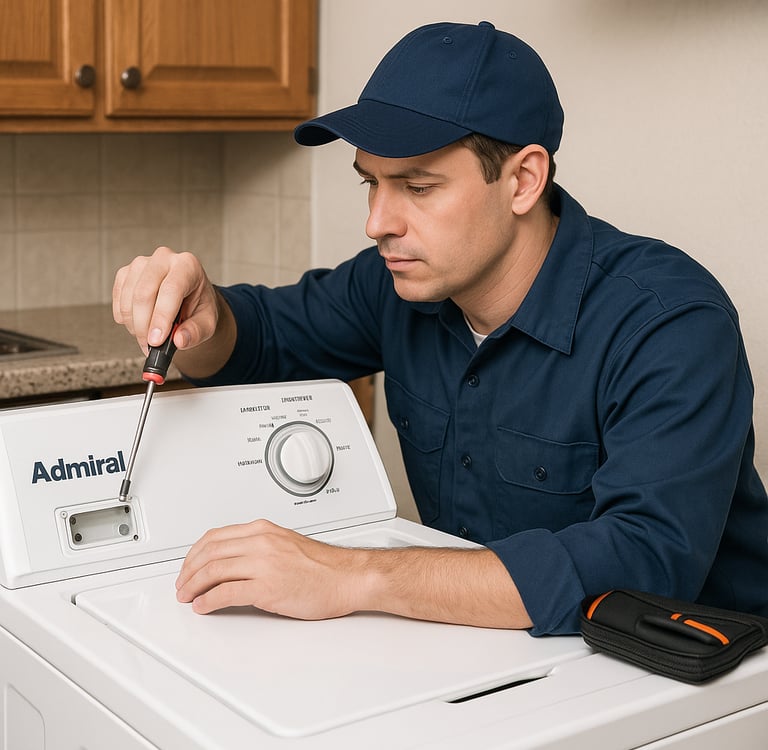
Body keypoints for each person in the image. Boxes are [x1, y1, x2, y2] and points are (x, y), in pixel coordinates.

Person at [112, 21, 768, 635]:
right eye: (371, 183)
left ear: (523, 181)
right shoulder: (397, 284)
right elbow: (253, 344)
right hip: (488, 655)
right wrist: (201, 315)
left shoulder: (670, 323)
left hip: (692, 685)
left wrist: (349, 573)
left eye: (417, 187)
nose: (378, 222)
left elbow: (642, 563)